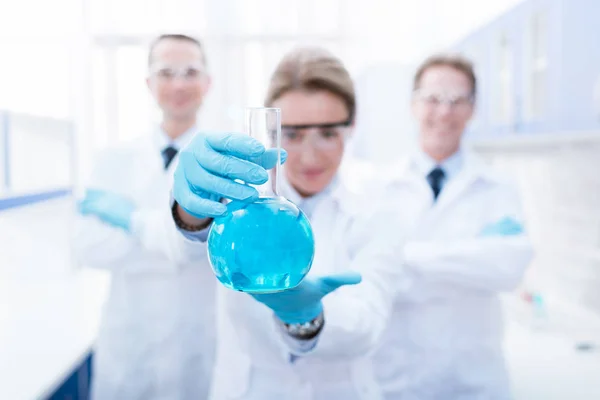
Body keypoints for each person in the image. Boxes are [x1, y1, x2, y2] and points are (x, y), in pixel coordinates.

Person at [169, 47, 405, 399]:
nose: (309, 155)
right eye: (292, 134)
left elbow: (368, 323)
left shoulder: (380, 204)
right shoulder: (238, 198)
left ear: (351, 127)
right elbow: (183, 250)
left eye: (327, 133)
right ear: (272, 134)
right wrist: (192, 210)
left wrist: (308, 316)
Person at [370, 53, 534, 399]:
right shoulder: (377, 187)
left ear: (473, 109)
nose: (444, 112)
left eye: (457, 101)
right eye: (432, 99)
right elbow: (377, 273)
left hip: (474, 381)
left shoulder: (499, 186)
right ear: (414, 105)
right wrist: (467, 261)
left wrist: (407, 256)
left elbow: (507, 269)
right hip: (396, 380)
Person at [73, 34, 215, 399]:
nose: (179, 83)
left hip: (201, 346)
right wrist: (173, 239)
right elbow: (89, 247)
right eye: (166, 72)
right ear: (148, 84)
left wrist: (132, 221)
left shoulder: (218, 162)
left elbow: (204, 250)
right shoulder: (112, 159)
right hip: (130, 348)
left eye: (190, 72)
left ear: (207, 82)